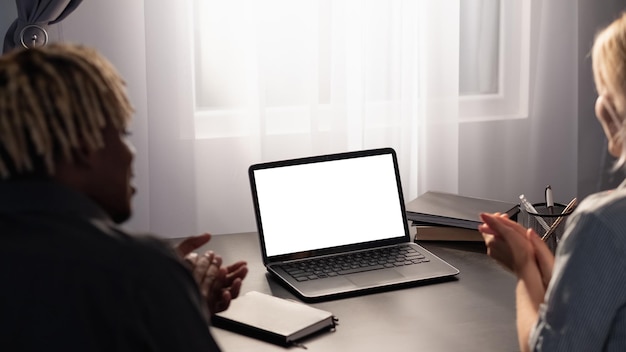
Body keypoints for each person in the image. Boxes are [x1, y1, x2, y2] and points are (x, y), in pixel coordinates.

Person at [0, 43, 247, 351]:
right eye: (122, 134)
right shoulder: (140, 273)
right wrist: (171, 297)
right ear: (83, 147)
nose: (131, 154)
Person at [479, 12, 626, 352]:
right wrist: (553, 274)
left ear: (613, 110)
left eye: (603, 90)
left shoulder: (601, 223)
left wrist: (523, 270)